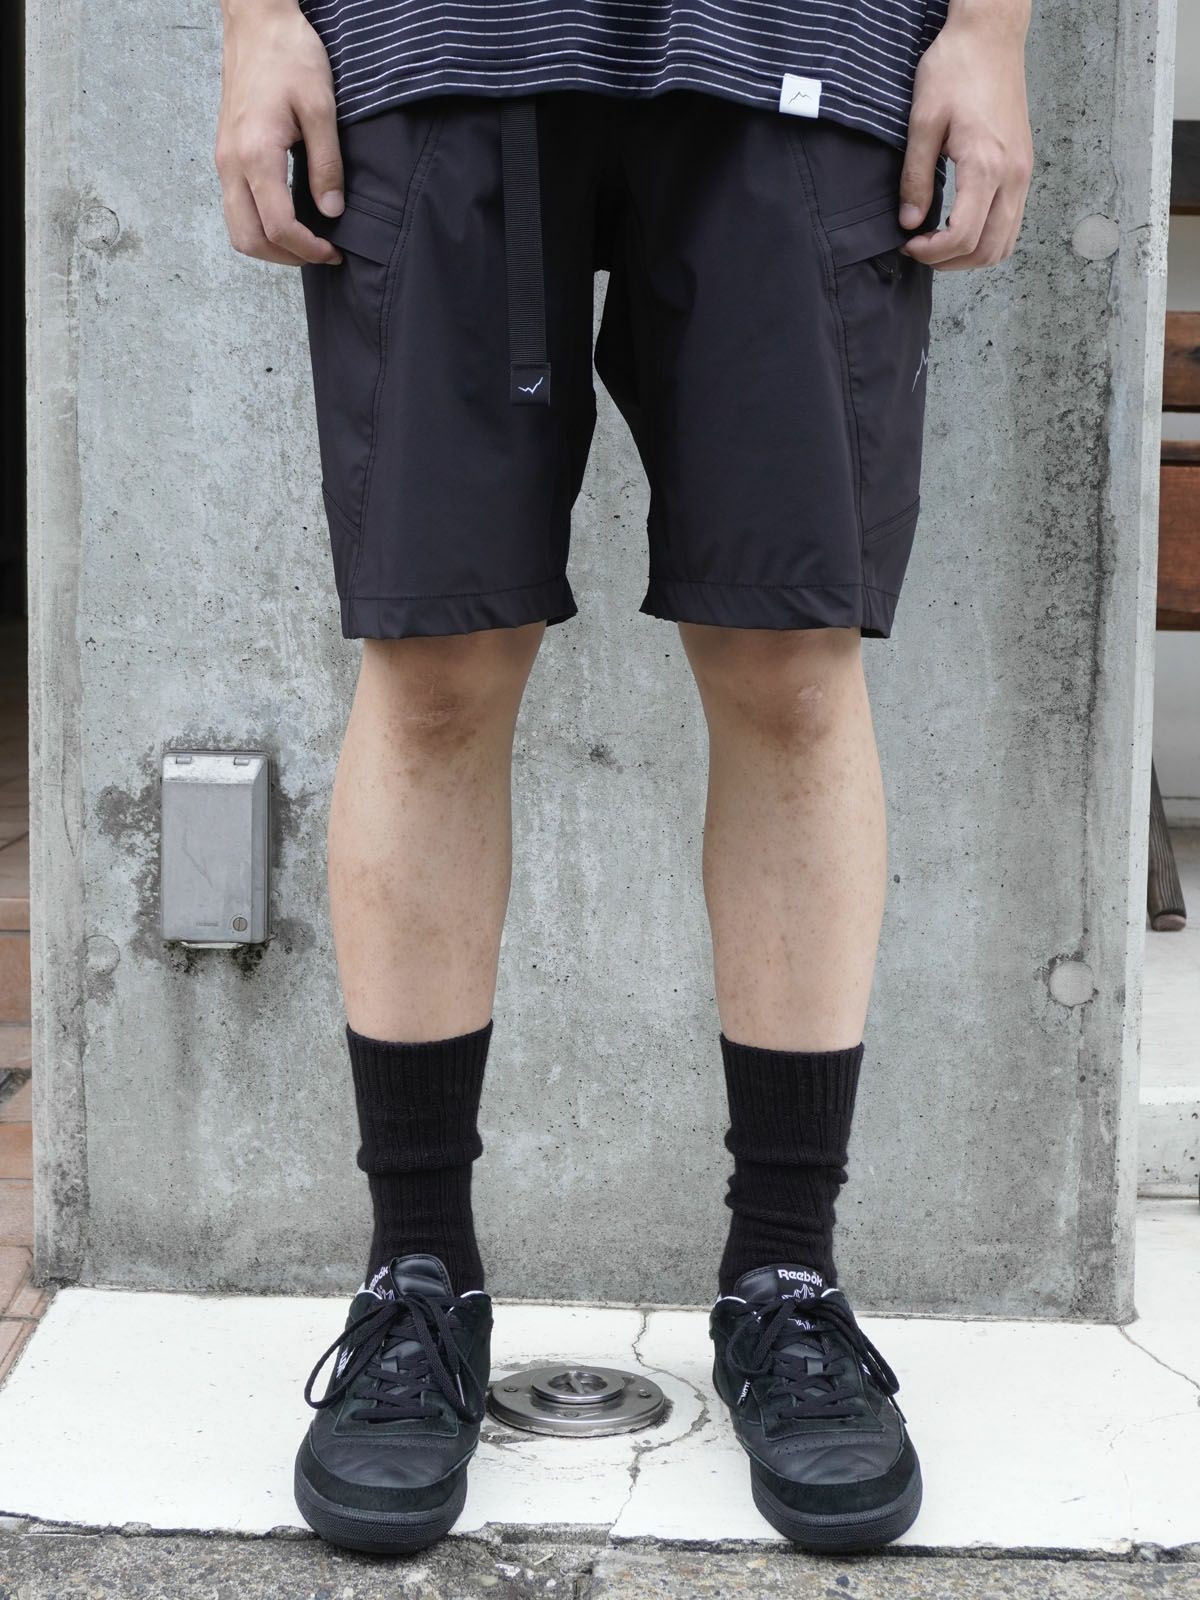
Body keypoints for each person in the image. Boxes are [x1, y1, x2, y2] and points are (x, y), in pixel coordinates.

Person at [216, 0, 1032, 1557]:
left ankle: (786, 1274)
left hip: (801, 41)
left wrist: (991, 29)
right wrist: (257, 20)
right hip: (431, 41)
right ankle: (416, 1279)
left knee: (791, 667)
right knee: (436, 667)